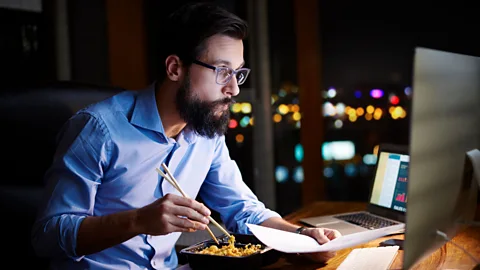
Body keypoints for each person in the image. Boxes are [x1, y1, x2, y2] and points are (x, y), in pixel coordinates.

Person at [31, 2, 341, 269]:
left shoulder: (205, 133)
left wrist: (301, 239)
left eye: (238, 73)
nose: (233, 89)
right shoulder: (98, 130)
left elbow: (242, 209)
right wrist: (138, 221)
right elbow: (47, 236)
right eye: (222, 72)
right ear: (175, 68)